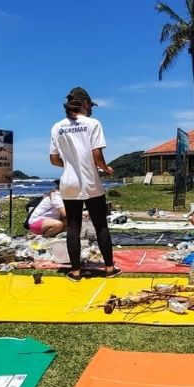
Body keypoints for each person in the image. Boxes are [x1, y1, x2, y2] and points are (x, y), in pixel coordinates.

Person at [50, 86, 120, 281]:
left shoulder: (57, 127)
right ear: (85, 104)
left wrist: (72, 164)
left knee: (73, 226)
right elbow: (97, 155)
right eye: (90, 105)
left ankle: (75, 271)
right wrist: (105, 168)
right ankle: (109, 268)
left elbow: (53, 159)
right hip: (90, 180)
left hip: (68, 182)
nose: (91, 109)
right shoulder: (93, 124)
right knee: (100, 225)